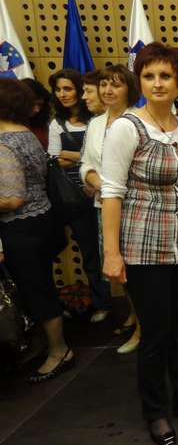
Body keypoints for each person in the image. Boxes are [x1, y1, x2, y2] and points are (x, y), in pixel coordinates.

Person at [101, 42, 178, 445]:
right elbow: (111, 192)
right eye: (149, 76)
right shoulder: (126, 128)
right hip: (144, 249)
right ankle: (155, 412)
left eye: (165, 75)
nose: (157, 83)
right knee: (155, 334)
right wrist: (112, 253)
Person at [0, 79, 75, 383]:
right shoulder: (26, 133)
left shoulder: (5, 143)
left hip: (22, 227)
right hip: (41, 220)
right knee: (41, 285)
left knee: (37, 289)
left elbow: (13, 198)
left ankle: (59, 351)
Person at [80, 64, 142, 346]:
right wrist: (95, 180)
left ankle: (142, 328)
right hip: (103, 204)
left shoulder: (138, 121)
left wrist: (111, 188)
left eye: (115, 85)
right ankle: (134, 315)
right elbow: (86, 163)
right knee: (119, 270)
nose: (107, 90)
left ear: (129, 89)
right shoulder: (95, 123)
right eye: (104, 84)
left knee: (136, 273)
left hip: (133, 207)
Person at [48, 69, 108, 320]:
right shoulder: (56, 124)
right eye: (58, 90)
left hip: (101, 193)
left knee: (104, 252)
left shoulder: (98, 119)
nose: (63, 94)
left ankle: (109, 302)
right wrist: (84, 158)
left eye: (68, 89)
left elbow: (104, 155)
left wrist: (72, 155)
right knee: (88, 253)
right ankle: (99, 302)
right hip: (73, 197)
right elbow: (55, 160)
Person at [21, 78, 51, 151]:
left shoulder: (43, 123)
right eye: (32, 104)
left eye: (40, 105)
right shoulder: (5, 125)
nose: (37, 110)